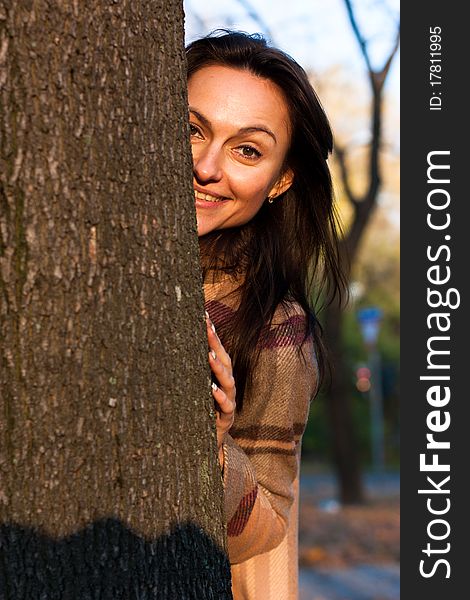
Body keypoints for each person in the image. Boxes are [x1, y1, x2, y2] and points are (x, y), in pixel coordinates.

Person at [186, 30, 345, 600]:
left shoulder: (277, 328)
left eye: (246, 149)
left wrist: (215, 442)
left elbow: (269, 529)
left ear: (279, 180)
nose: (206, 167)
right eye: (191, 130)